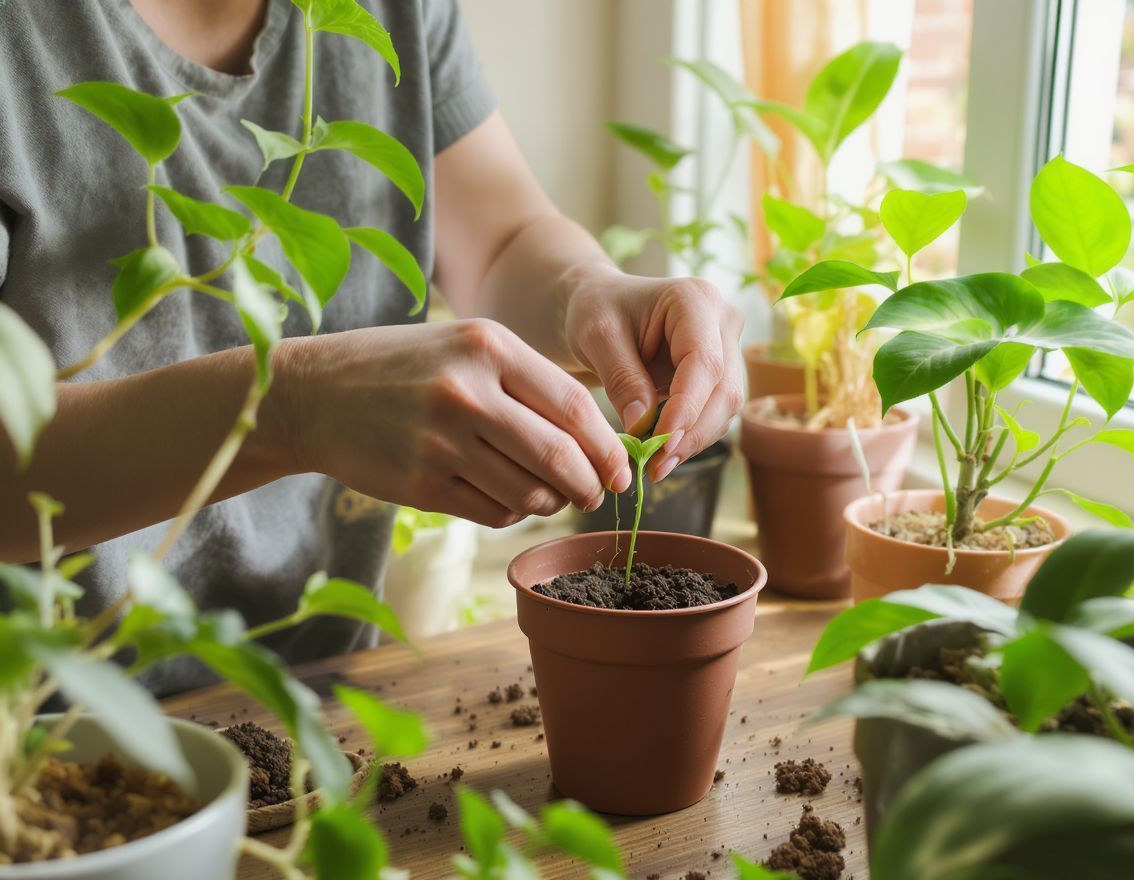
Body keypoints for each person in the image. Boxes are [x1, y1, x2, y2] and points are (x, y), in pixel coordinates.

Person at [0, 0, 744, 693]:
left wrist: (586, 293)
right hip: (45, 725)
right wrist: (294, 407)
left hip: (315, 691)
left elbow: (501, 236)